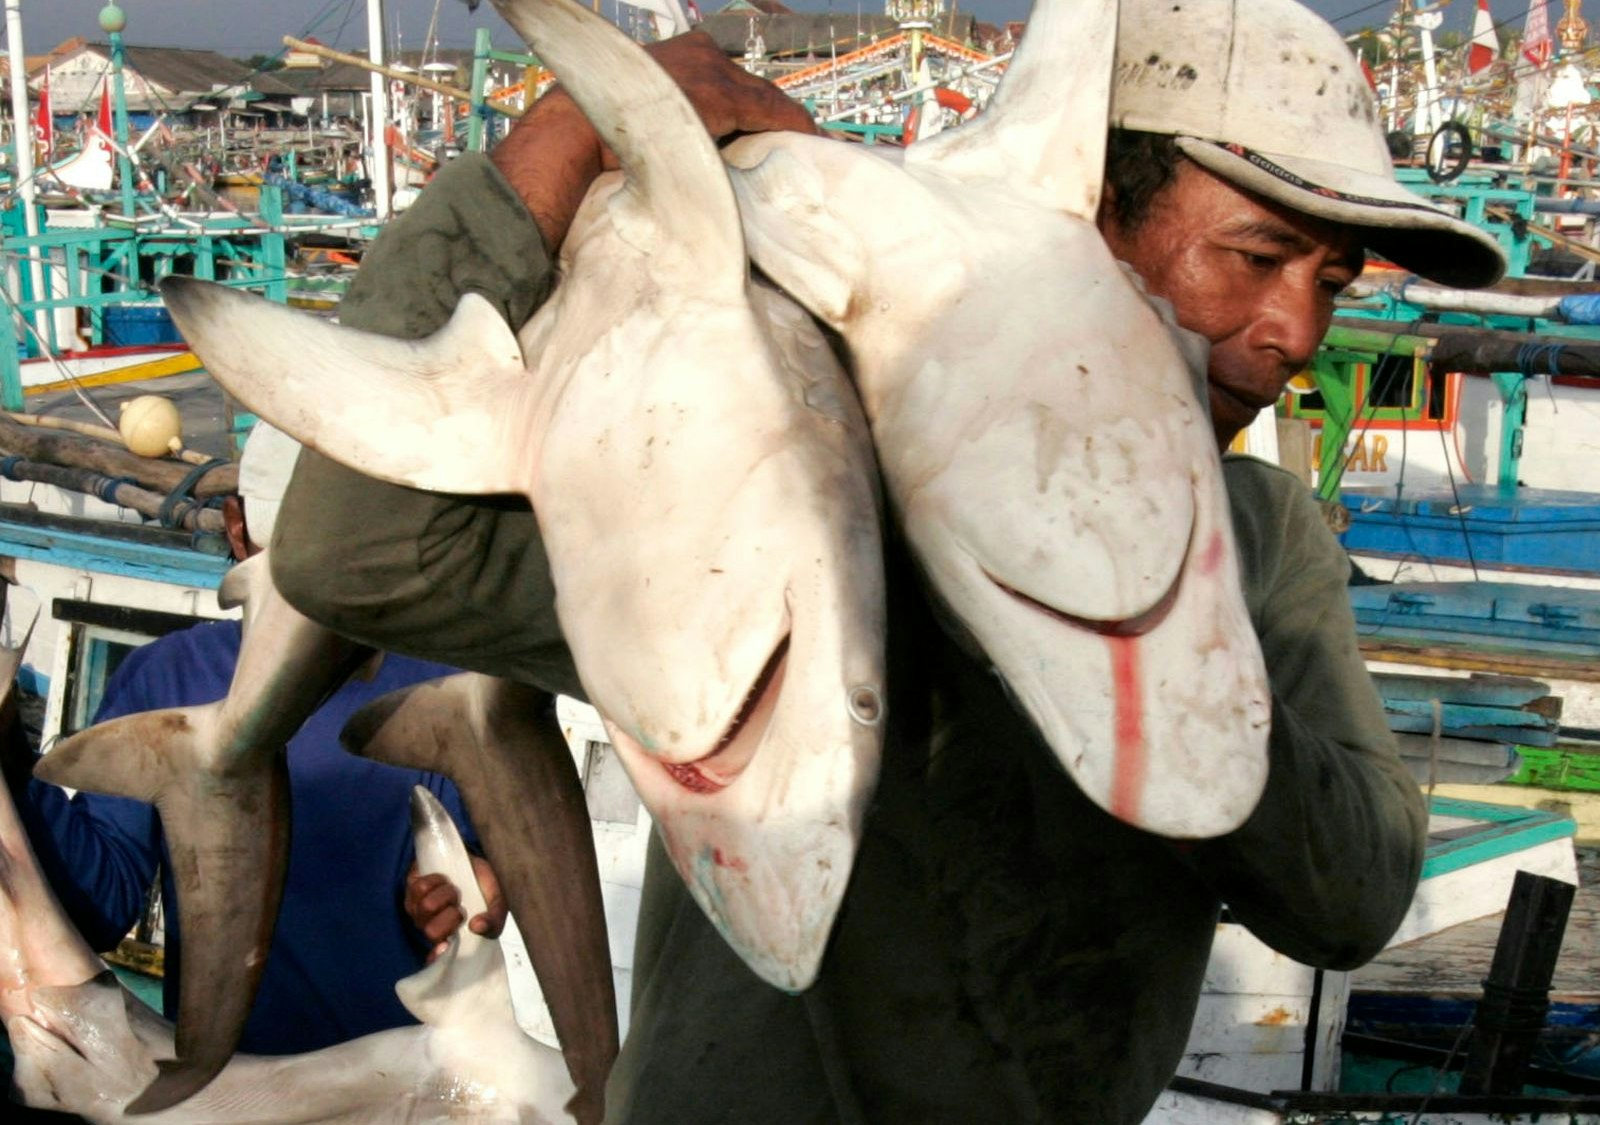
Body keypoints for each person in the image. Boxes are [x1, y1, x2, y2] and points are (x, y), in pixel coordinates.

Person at [263, 0, 1506, 1119]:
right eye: (1251, 257)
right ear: (1085, 223)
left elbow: (1352, 898)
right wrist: (572, 130)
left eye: (1330, 282)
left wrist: (1174, 657)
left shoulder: (1258, 539)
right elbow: (357, 554)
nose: (1294, 331)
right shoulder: (794, 483)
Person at [6, 619, 507, 1055]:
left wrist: (468, 890)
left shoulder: (441, 685)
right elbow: (99, 906)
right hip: (224, 1089)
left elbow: (468, 877)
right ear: (238, 525)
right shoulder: (170, 673)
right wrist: (10, 750)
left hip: (394, 1084)